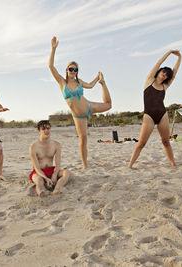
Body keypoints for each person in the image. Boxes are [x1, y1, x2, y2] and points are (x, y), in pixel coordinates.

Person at [49, 36, 112, 168]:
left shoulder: (79, 82)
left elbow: (89, 85)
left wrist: (98, 79)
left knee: (108, 105)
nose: (73, 71)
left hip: (89, 106)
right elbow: (51, 66)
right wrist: (54, 49)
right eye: (71, 69)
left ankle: (104, 83)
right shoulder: (62, 82)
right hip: (78, 116)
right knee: (83, 139)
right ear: (66, 70)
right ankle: (84, 165)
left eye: (75, 69)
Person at [129, 50, 182, 168]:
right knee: (141, 143)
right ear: (159, 72)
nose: (165, 74)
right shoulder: (149, 80)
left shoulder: (165, 86)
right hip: (149, 116)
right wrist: (169, 53)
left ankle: (173, 164)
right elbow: (159, 62)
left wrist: (179, 57)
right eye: (163, 72)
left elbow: (175, 72)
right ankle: (130, 165)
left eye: (167, 74)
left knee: (166, 142)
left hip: (162, 115)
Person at [29, 120, 71, 197]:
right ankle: (42, 193)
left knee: (67, 172)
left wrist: (54, 175)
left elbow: (58, 164)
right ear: (39, 131)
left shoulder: (56, 145)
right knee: (39, 180)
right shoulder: (33, 146)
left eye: (48, 128)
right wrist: (46, 178)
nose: (46, 131)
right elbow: (36, 168)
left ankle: (57, 189)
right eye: (43, 129)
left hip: (51, 170)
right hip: (38, 172)